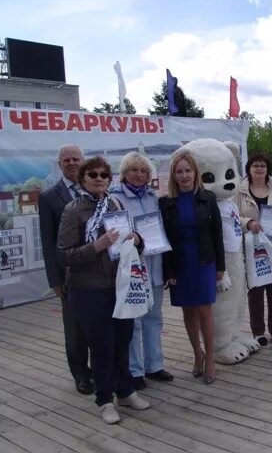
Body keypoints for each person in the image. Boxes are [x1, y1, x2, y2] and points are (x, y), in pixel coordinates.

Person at [57, 156, 149, 424]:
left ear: (110, 180)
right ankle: (104, 400)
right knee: (101, 346)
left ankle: (125, 390)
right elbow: (63, 255)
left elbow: (129, 242)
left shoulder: (116, 204)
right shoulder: (73, 210)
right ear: (83, 179)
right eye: (92, 174)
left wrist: (138, 240)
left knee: (123, 340)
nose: (99, 179)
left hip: (119, 284)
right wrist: (97, 246)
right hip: (89, 288)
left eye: (104, 175)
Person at [159, 152, 225, 385]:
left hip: (204, 260)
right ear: (174, 175)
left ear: (195, 173)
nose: (184, 175)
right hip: (180, 262)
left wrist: (221, 266)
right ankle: (198, 354)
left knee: (204, 310)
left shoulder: (208, 198)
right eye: (179, 171)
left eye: (188, 170)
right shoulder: (166, 203)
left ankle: (211, 360)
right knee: (188, 311)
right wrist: (168, 271)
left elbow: (217, 233)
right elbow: (163, 238)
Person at [110, 152, 173, 392]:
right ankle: (135, 371)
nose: (139, 175)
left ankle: (154, 365)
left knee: (154, 318)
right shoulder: (115, 199)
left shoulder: (154, 197)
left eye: (143, 171)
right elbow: (116, 235)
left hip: (154, 265)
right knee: (133, 321)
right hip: (133, 268)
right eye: (134, 170)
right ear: (124, 173)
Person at [38, 145, 93, 395]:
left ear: (83, 162)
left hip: (99, 271)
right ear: (59, 164)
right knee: (75, 329)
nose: (72, 163)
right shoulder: (49, 197)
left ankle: (100, 368)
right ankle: (80, 374)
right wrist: (55, 279)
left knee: (100, 324)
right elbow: (47, 241)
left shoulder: (95, 190)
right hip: (69, 274)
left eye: (76, 159)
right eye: (66, 160)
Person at [236, 152, 272, 345]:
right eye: (255, 166)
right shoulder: (239, 191)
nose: (259, 169)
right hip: (252, 250)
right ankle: (258, 332)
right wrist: (248, 222)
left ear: (267, 169)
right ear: (249, 169)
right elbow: (232, 217)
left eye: (262, 166)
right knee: (255, 293)